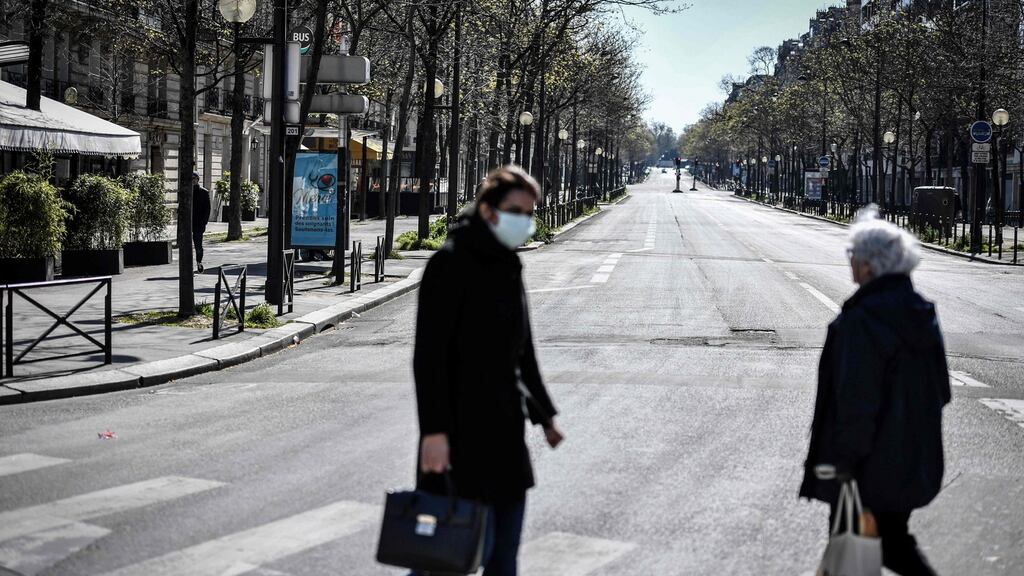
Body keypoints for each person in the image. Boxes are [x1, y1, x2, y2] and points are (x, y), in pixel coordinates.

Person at [413, 165, 564, 576]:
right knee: (443, 558)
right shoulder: (449, 264)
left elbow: (523, 351)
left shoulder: (508, 266)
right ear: (487, 210)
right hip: (458, 436)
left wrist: (545, 415)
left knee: (503, 558)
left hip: (504, 432)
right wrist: (435, 433)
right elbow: (429, 359)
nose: (526, 222)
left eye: (530, 213)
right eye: (517, 211)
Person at [800, 205, 951, 576]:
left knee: (879, 547)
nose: (850, 262)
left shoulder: (864, 320)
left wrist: (845, 462)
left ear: (870, 264)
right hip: (911, 454)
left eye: (854, 255)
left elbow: (855, 400)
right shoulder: (919, 312)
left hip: (868, 465)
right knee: (861, 550)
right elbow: (942, 391)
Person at [192, 171, 211, 273]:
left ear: (197, 180)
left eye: (194, 179)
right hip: (188, 223)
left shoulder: (204, 192)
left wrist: (204, 222)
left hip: (199, 223)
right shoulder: (186, 192)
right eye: (191, 179)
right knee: (185, 246)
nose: (192, 181)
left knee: (198, 245)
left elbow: (207, 209)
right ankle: (187, 265)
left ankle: (199, 262)